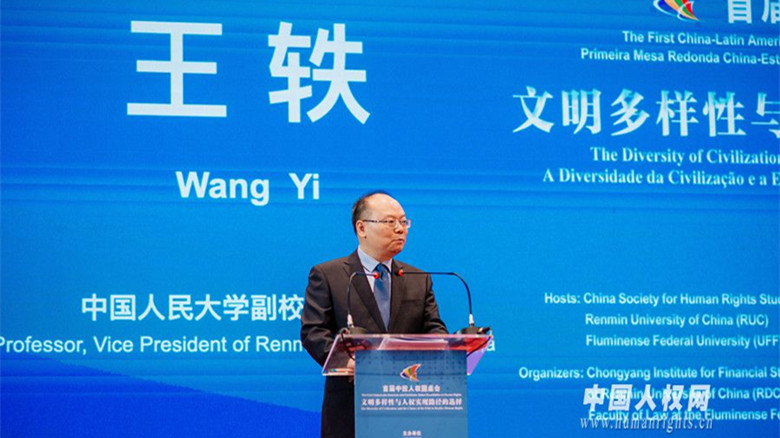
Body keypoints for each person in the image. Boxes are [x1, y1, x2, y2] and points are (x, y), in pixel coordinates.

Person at [300, 191, 448, 438]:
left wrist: (445, 347)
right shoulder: (329, 275)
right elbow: (314, 333)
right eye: (390, 222)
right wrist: (349, 364)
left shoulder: (418, 278)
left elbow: (434, 328)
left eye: (404, 221)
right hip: (351, 406)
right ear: (362, 228)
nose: (400, 229)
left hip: (409, 403)